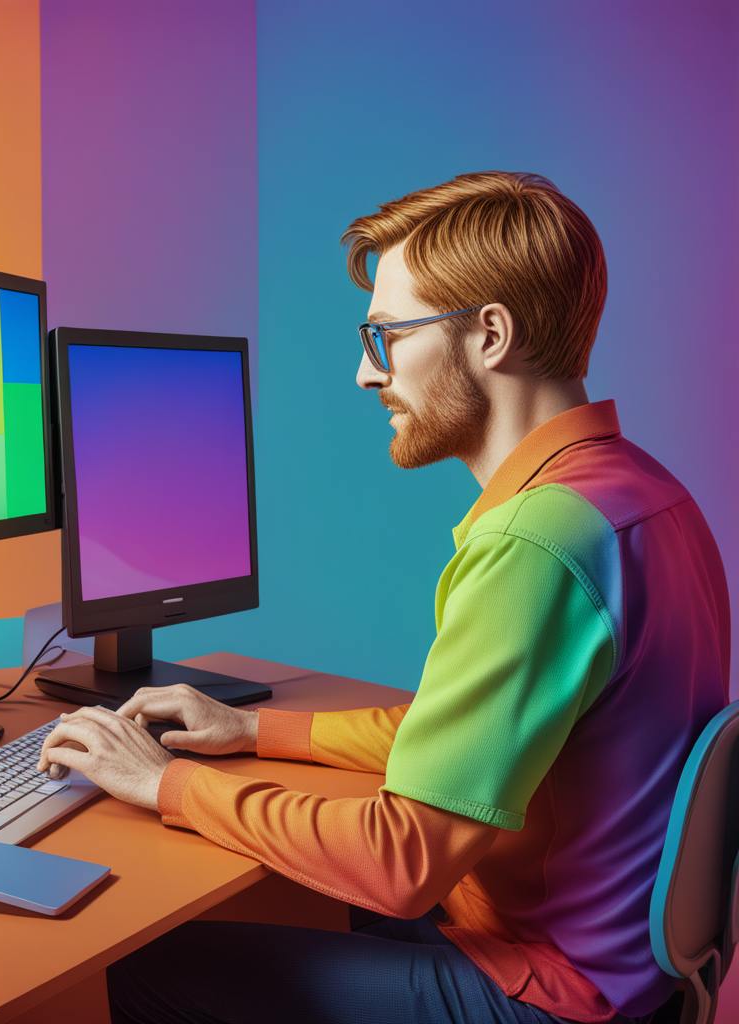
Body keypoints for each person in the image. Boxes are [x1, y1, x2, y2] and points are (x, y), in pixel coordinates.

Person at [37, 171, 730, 1023]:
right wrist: (256, 729)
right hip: (632, 976)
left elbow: (400, 866)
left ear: (490, 335)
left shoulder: (535, 543)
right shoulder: (642, 495)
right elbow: (473, 743)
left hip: (550, 991)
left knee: (146, 967)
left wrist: (163, 782)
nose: (367, 376)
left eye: (386, 337)